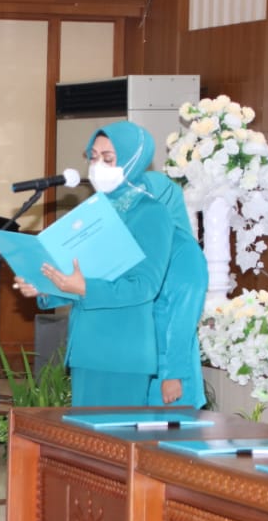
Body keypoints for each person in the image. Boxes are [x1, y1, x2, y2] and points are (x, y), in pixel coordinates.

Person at [12, 121, 174, 406]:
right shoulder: (94, 210)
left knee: (116, 434)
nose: (98, 166)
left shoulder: (150, 213)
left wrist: (85, 288)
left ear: (133, 160)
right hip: (87, 347)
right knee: (84, 433)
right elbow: (83, 275)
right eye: (94, 157)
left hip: (124, 351)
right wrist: (45, 286)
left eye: (108, 159)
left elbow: (145, 286)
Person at [143, 172, 209, 407]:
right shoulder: (144, 247)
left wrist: (173, 375)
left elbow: (183, 317)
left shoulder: (183, 251)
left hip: (168, 374)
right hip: (140, 365)